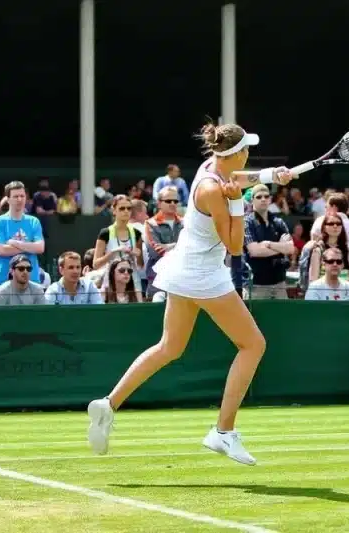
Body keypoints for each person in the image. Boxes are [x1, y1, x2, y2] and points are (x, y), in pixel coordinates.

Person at [87, 122, 294, 466]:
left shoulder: (210, 168)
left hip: (184, 269)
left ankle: (108, 405)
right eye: (246, 150)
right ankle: (223, 432)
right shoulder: (214, 191)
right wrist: (239, 203)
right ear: (236, 153)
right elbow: (234, 244)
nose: (249, 154)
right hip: (202, 275)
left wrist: (273, 174)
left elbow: (239, 178)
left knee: (170, 347)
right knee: (253, 345)